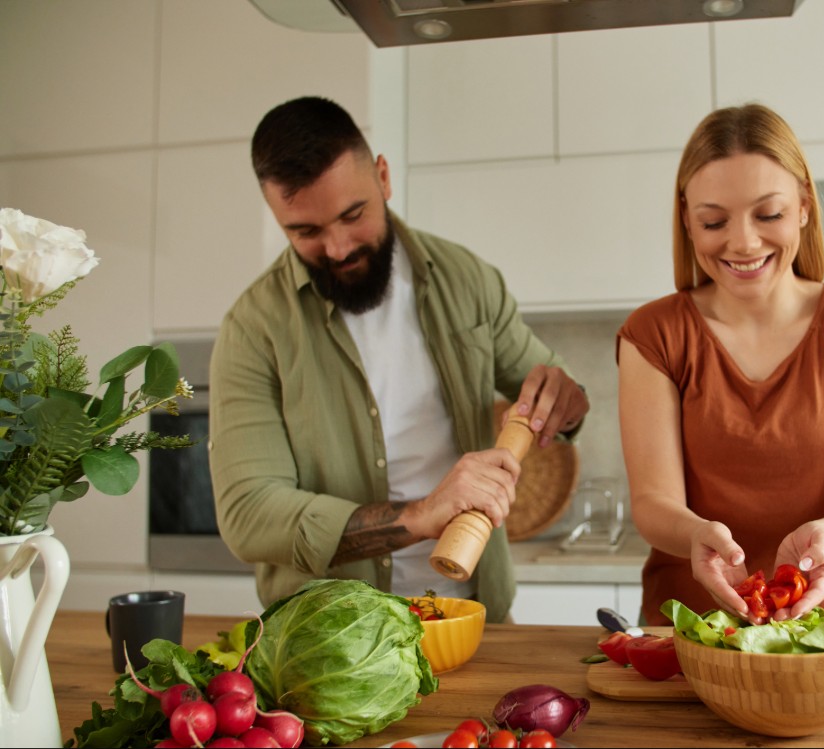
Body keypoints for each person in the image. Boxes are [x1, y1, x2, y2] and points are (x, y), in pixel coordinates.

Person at [209, 96, 589, 623]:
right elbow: (250, 514)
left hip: (475, 620)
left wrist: (567, 402)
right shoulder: (253, 329)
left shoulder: (467, 279)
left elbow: (555, 395)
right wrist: (420, 517)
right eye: (306, 232)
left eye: (353, 214)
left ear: (383, 177)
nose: (338, 248)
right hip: (334, 640)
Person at [616, 103, 824, 627]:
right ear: (686, 219)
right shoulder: (654, 335)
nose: (744, 242)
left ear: (803, 206)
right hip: (688, 634)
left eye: (768, 214)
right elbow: (653, 501)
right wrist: (692, 535)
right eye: (713, 221)